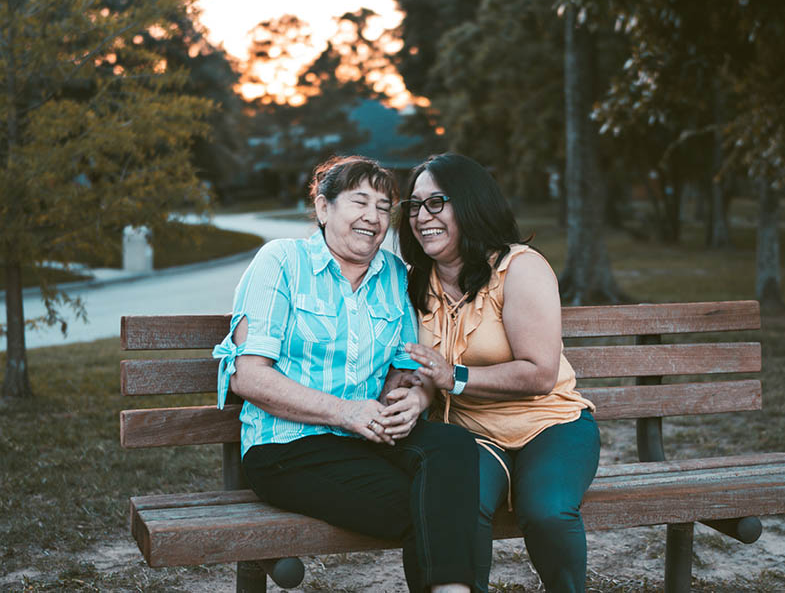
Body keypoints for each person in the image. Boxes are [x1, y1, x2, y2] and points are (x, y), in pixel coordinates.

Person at [212, 156, 479, 593]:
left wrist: (412, 397)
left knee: (453, 445)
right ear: (323, 208)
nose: (373, 218)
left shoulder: (394, 275)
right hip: (286, 450)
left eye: (383, 206)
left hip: (367, 439)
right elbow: (248, 376)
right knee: (432, 507)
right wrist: (343, 412)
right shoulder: (281, 262)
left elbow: (405, 367)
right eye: (360, 202)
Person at [396, 153, 600, 593]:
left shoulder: (519, 267)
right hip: (470, 435)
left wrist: (456, 377)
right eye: (414, 205)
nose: (421, 216)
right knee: (455, 511)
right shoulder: (415, 282)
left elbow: (540, 373)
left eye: (436, 203)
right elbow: (425, 371)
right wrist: (415, 392)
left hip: (550, 426)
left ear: (470, 204)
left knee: (547, 511)